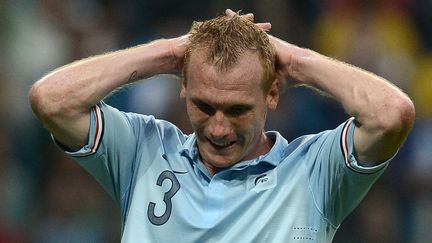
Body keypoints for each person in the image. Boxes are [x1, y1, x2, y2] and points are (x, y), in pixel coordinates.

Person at [29, 9, 415, 243]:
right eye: (204, 105)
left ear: (273, 93)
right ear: (183, 87)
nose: (218, 128)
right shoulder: (142, 151)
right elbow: (52, 100)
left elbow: (392, 113)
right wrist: (170, 51)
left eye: (237, 110)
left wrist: (294, 60)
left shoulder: (314, 171)